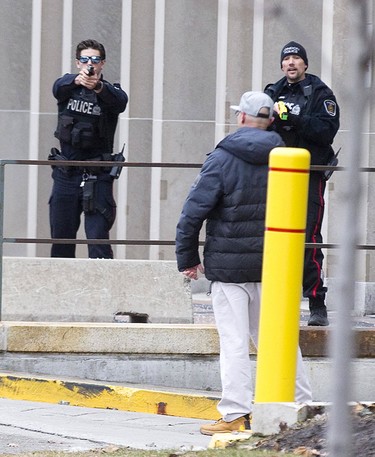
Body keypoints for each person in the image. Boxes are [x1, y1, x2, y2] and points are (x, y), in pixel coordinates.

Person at [175, 91, 312, 436]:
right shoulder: (286, 157)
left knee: (234, 341)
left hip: (229, 269)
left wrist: (187, 258)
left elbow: (193, 212)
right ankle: (301, 405)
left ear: (241, 118)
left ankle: (236, 413)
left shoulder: (222, 159)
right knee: (278, 340)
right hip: (273, 267)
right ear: (269, 120)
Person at [264, 41, 340, 326]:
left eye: (296, 58)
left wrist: (294, 119)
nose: (291, 63)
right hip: (276, 175)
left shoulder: (320, 93)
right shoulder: (272, 92)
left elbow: (326, 130)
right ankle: (272, 299)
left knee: (308, 238)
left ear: (305, 64)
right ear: (281, 65)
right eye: (287, 59)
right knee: (270, 236)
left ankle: (317, 303)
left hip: (309, 174)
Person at [49, 39, 128, 258]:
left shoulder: (110, 93)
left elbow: (120, 102)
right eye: (84, 59)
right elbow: (57, 87)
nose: (89, 64)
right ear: (77, 63)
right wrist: (78, 81)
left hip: (97, 176)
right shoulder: (67, 87)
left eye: (94, 59)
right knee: (61, 239)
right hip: (66, 174)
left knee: (97, 240)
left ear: (102, 63)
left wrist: (99, 87)